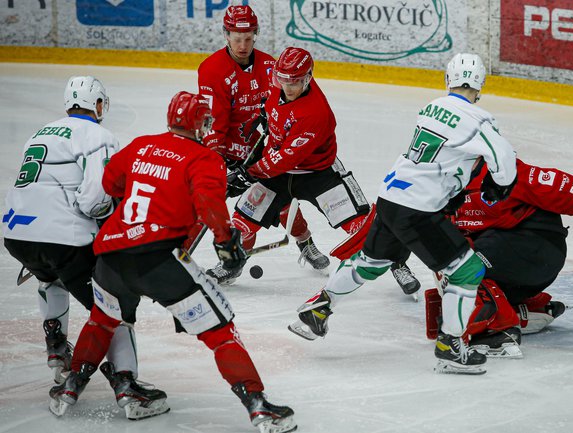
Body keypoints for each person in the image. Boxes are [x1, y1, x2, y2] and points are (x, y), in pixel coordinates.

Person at [48, 91, 297, 433]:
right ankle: (259, 407)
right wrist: (226, 243)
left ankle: (69, 387)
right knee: (221, 333)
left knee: (102, 321)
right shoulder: (203, 158)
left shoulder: (140, 145)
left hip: (110, 258)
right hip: (161, 261)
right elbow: (210, 203)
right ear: (199, 123)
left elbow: (110, 183)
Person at [288, 53, 518, 375]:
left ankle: (319, 306)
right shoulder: (479, 119)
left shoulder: (431, 107)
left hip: (391, 197)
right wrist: (502, 186)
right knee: (467, 273)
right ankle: (450, 347)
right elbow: (503, 156)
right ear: (480, 84)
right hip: (417, 209)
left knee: (372, 261)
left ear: (447, 80)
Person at [2, 76, 167, 419]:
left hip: (16, 235)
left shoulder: (40, 132)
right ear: (100, 105)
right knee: (113, 306)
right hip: (64, 239)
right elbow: (95, 198)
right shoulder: (99, 136)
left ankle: (58, 350)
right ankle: (128, 388)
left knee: (51, 280)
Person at [422, 158, 573, 358]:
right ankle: (527, 309)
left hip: (536, 244)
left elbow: (551, 184)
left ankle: (500, 330)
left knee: (459, 265)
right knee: (449, 261)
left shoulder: (496, 172)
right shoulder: (440, 195)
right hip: (527, 264)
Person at [218, 46, 373, 282]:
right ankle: (232, 265)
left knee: (360, 225)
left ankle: (398, 265)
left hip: (317, 172)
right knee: (241, 224)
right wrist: (266, 111)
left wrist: (247, 175)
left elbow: (286, 158)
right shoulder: (278, 83)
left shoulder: (316, 112)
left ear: (308, 78)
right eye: (282, 80)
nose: (288, 87)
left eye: (295, 81)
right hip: (277, 172)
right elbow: (270, 102)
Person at [198, 5, 329, 283]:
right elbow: (215, 122)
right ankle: (210, 256)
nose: (242, 44)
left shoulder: (271, 66)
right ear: (225, 34)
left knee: (275, 204)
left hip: (263, 151)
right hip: (227, 154)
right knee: (208, 204)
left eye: (248, 37)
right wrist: (215, 165)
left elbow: (286, 109)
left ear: (256, 34)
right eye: (236, 37)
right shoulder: (212, 69)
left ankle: (304, 243)